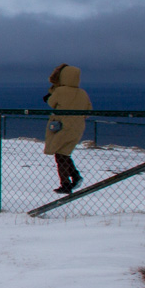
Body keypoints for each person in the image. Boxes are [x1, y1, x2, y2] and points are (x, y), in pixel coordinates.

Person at [44, 63, 92, 193]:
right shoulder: (83, 93)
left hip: (62, 126)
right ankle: (74, 177)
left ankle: (66, 183)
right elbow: (88, 110)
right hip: (78, 127)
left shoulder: (60, 91)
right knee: (64, 153)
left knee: (60, 154)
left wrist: (51, 93)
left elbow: (51, 102)